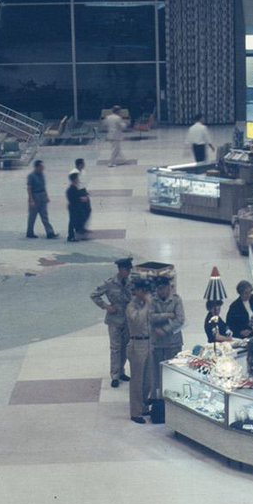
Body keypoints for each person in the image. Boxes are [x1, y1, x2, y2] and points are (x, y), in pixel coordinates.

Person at [91, 257, 133, 388]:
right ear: (120, 269)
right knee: (115, 348)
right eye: (126, 270)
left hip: (128, 319)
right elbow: (94, 295)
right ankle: (114, 375)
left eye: (129, 270)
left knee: (125, 347)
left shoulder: (131, 282)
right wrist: (106, 306)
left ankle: (121, 371)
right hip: (114, 320)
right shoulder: (110, 283)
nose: (128, 272)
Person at [125, 278, 153, 424]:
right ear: (137, 291)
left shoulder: (149, 304)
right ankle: (135, 411)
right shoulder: (132, 306)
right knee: (137, 380)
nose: (145, 293)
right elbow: (138, 321)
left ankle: (144, 406)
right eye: (142, 291)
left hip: (150, 342)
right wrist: (147, 305)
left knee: (148, 380)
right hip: (137, 343)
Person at [148, 275, 185, 375]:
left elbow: (180, 319)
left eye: (164, 288)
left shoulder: (176, 300)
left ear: (169, 287)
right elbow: (150, 317)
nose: (162, 291)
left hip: (173, 342)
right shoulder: (153, 301)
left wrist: (165, 330)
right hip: (157, 342)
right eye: (159, 289)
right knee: (157, 370)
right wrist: (167, 315)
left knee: (174, 370)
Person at [25, 160, 58, 239]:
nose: (42, 169)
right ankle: (29, 232)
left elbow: (43, 186)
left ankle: (50, 232)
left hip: (42, 195)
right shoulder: (31, 176)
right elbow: (29, 188)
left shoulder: (42, 175)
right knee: (32, 216)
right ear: (37, 167)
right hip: (35, 195)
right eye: (41, 167)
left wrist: (46, 196)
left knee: (44, 215)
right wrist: (31, 200)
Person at [65, 171, 90, 242]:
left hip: (75, 207)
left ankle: (76, 235)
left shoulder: (74, 188)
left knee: (75, 221)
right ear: (75, 179)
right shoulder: (72, 189)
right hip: (74, 208)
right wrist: (82, 199)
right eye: (77, 178)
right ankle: (71, 236)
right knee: (72, 222)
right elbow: (74, 198)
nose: (78, 180)